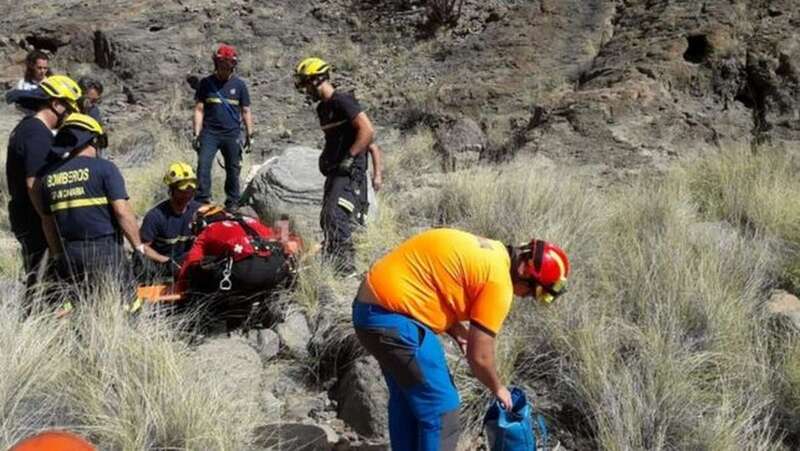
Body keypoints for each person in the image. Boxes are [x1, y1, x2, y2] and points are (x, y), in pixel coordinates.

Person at [352, 228, 570, 450]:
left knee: (408, 397)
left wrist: (458, 333)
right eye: (533, 292)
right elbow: (480, 357)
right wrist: (498, 388)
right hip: (391, 320)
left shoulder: (492, 252)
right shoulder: (499, 283)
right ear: (524, 270)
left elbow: (438, 286)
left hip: (369, 311)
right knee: (442, 407)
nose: (526, 297)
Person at [36, 113, 153, 283]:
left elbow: (47, 222)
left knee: (82, 303)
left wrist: (58, 256)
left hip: (70, 253)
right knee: (125, 303)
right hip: (104, 251)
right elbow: (122, 212)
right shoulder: (105, 169)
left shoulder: (49, 176)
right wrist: (138, 247)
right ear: (94, 140)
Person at [294, 57, 375, 274]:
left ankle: (346, 268)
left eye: (305, 83)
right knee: (326, 216)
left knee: (335, 213)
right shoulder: (323, 109)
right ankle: (332, 260)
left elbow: (367, 131)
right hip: (335, 169)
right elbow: (335, 139)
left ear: (316, 80)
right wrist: (326, 158)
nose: (304, 90)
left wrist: (350, 156)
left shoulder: (343, 101)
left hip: (350, 169)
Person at [5, 75, 82, 303]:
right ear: (56, 103)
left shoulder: (27, 128)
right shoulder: (37, 133)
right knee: (45, 276)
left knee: (39, 273)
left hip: (25, 214)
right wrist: (47, 217)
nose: (68, 115)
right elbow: (33, 183)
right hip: (33, 217)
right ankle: (40, 321)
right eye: (68, 108)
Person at [192, 44, 254, 209]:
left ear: (233, 66)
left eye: (228, 65)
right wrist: (196, 133)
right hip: (209, 133)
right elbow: (199, 109)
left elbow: (246, 110)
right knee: (203, 165)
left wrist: (250, 134)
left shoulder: (239, 85)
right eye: (222, 65)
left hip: (232, 134)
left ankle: (233, 201)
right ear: (216, 64)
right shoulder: (206, 83)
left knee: (233, 168)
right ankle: (202, 199)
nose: (225, 69)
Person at [137, 162, 202, 280]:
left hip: (186, 263)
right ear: (171, 190)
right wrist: (166, 261)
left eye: (191, 191)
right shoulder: (155, 217)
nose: (187, 195)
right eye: (182, 191)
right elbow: (142, 248)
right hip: (161, 264)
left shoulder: (199, 211)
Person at [5, 50, 51, 116]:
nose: (42, 71)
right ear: (32, 66)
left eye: (45, 68)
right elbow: (18, 104)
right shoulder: (23, 83)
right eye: (39, 68)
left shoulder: (51, 83)